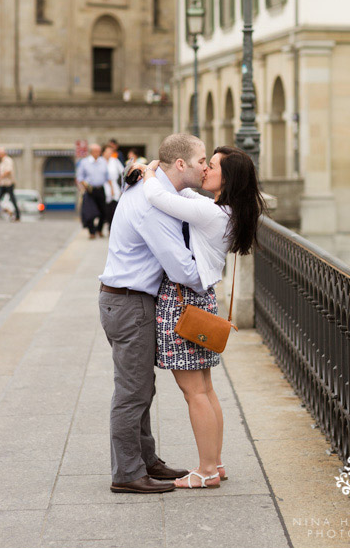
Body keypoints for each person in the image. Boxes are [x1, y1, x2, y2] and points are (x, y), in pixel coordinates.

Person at [138, 144, 267, 489]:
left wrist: (149, 171)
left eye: (211, 166)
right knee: (205, 389)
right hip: (200, 302)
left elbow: (159, 199)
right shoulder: (220, 210)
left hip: (185, 304)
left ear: (229, 177)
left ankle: (206, 470)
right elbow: (192, 198)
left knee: (194, 391)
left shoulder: (212, 214)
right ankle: (216, 463)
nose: (205, 170)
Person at [98, 133, 207, 494]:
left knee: (141, 388)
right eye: (201, 161)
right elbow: (183, 271)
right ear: (180, 165)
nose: (205, 167)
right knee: (132, 392)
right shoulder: (153, 204)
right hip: (130, 304)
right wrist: (212, 266)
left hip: (125, 300)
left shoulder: (154, 185)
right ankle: (127, 473)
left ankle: (146, 461)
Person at [76, 144, 109, 239]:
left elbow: (107, 176)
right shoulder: (84, 162)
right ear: (91, 152)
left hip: (100, 189)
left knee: (103, 212)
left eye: (99, 151)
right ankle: (92, 232)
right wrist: (85, 184)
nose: (98, 153)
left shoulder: (103, 161)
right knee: (90, 212)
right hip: (89, 190)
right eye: (96, 151)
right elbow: (80, 177)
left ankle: (99, 229)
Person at [0, 147, 20, 222]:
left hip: (8, 183)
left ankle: (17, 215)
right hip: (3, 184)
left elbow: (8, 171)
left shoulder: (8, 160)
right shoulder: (1, 162)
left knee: (12, 200)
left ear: (2, 153)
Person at [102, 142, 124, 234]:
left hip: (114, 188)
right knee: (103, 210)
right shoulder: (99, 161)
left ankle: (111, 228)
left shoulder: (115, 161)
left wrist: (123, 187)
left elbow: (123, 173)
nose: (109, 153)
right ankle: (100, 228)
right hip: (102, 187)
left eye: (111, 151)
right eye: (107, 151)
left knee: (113, 209)